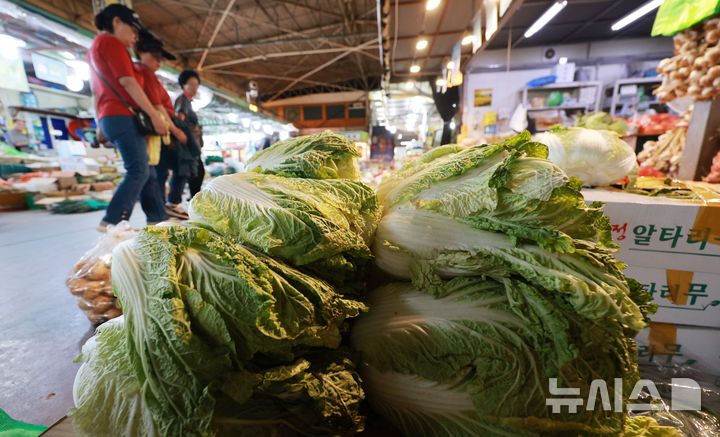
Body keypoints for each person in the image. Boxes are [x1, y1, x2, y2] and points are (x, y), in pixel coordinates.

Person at [89, 4, 171, 231]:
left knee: (147, 170)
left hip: (110, 116)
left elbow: (96, 92)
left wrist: (99, 124)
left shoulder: (94, 48)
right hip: (122, 115)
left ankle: (156, 218)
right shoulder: (111, 43)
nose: (135, 37)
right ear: (116, 22)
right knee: (139, 170)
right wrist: (154, 115)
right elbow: (128, 82)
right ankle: (112, 221)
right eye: (133, 30)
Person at [134, 31, 192, 219]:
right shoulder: (145, 73)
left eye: (161, 59)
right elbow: (158, 106)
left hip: (162, 128)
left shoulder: (148, 74)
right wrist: (174, 130)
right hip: (161, 127)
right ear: (141, 52)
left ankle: (160, 211)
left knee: (156, 172)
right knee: (162, 171)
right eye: (155, 57)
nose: (159, 62)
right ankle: (160, 211)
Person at [174, 69, 205, 198]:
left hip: (191, 145)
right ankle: (186, 201)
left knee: (195, 174)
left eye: (196, 85)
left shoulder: (188, 101)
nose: (194, 88)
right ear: (183, 85)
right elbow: (179, 119)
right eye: (191, 85)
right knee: (192, 174)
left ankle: (192, 201)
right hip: (187, 146)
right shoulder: (183, 100)